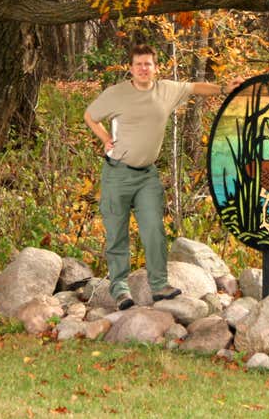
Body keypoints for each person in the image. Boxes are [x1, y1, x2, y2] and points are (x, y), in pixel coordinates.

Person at [83, 44, 243, 310]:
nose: (143, 69)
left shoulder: (166, 90)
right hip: (117, 173)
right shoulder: (116, 94)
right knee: (117, 234)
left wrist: (225, 88)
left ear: (155, 67)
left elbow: (195, 87)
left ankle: (159, 285)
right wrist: (105, 138)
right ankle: (120, 289)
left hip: (147, 175)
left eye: (148, 64)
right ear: (131, 68)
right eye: (138, 64)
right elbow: (90, 115)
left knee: (154, 231)